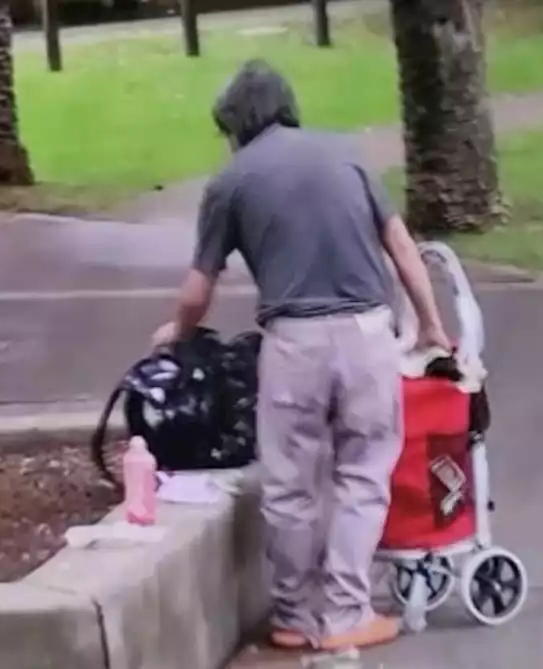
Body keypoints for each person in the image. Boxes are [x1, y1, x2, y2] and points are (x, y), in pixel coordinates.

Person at [150, 59, 452, 651]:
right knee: (362, 476)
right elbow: (402, 248)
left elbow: (197, 291)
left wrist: (176, 332)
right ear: (286, 106)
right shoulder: (348, 154)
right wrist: (432, 328)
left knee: (290, 485)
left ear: (235, 123)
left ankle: (293, 616)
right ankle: (345, 615)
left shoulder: (231, 181)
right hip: (367, 335)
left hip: (293, 345)